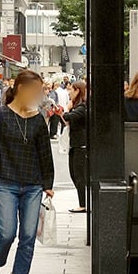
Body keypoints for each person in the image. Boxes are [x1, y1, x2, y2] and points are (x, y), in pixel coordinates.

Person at [0, 70, 55, 274]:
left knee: (29, 234)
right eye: (35, 90)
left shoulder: (38, 119)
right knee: (7, 232)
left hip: (32, 185)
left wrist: (48, 184)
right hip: (6, 182)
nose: (38, 95)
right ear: (21, 89)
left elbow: (45, 154)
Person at [63, 81, 87, 213]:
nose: (69, 92)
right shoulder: (78, 106)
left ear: (77, 91)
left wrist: (67, 108)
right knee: (74, 174)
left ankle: (83, 203)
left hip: (81, 145)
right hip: (75, 144)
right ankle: (83, 202)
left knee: (79, 175)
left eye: (71, 90)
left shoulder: (82, 107)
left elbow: (68, 117)